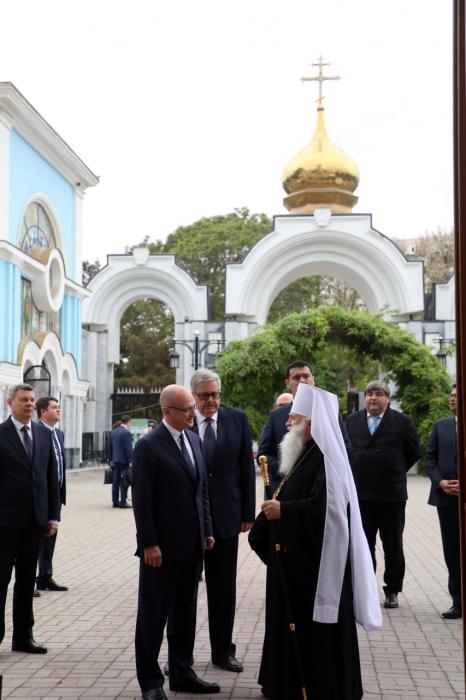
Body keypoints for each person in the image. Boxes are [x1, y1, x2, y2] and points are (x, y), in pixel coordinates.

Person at [249, 384, 381, 700]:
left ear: (311, 423)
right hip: (296, 562)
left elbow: (327, 511)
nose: (287, 423)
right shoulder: (305, 454)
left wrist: (285, 511)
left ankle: (321, 687)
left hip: (316, 568)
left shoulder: (326, 459)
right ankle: (283, 683)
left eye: (293, 418)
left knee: (315, 631)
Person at [132, 384, 220, 700]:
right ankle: (150, 682)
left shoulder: (193, 440)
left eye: (192, 408)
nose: (192, 414)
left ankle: (182, 672)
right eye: (187, 410)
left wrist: (207, 529)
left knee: (185, 613)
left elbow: (201, 492)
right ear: (167, 410)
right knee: (153, 615)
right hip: (160, 549)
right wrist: (149, 544)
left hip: (192, 545)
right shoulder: (148, 446)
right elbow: (142, 500)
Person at [189, 369, 255, 672]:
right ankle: (181, 656)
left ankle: (223, 651)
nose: (211, 401)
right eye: (204, 396)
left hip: (227, 516)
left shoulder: (236, 419)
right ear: (194, 396)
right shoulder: (183, 419)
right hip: (190, 520)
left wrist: (247, 514)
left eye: (215, 394)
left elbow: (246, 468)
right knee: (184, 591)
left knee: (223, 589)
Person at [346, 380, 420, 609]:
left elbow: (413, 451)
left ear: (387, 398)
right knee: (363, 545)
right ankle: (365, 589)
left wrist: (394, 469)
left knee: (393, 545)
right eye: (369, 394)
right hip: (361, 494)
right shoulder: (352, 421)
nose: (373, 398)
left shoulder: (402, 421)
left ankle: (392, 590)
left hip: (391, 495)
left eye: (378, 394)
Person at [0, 383, 60, 654]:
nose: (29, 404)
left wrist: (53, 516)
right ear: (10, 403)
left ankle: (23, 637)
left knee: (26, 581)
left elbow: (50, 477)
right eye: (23, 399)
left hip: (35, 522)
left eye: (32, 400)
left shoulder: (43, 433)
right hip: (4, 523)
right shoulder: (1, 434)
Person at [257, 360, 352, 492]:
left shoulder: (330, 413)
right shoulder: (276, 416)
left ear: (313, 380)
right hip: (286, 490)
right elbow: (263, 455)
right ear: (287, 383)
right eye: (296, 377)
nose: (302, 380)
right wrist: (285, 468)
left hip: (321, 489)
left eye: (306, 376)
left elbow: (345, 449)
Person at [426, 384, 461, 619]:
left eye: (457, 395)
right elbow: (430, 458)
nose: (452, 398)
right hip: (446, 499)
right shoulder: (441, 425)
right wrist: (441, 482)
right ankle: (457, 602)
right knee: (452, 551)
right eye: (451, 395)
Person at [35, 396, 68, 593]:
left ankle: (45, 576)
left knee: (50, 536)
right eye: (54, 407)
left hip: (56, 495)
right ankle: (27, 579)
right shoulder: (36, 433)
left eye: (58, 407)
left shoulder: (59, 434)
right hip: (40, 495)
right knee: (35, 539)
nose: (58, 410)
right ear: (43, 412)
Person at [109, 414, 133, 509]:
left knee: (115, 482)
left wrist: (110, 459)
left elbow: (110, 447)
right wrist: (131, 460)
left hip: (115, 461)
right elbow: (128, 448)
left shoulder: (113, 432)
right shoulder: (126, 433)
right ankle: (123, 502)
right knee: (124, 482)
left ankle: (115, 502)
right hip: (123, 462)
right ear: (128, 422)